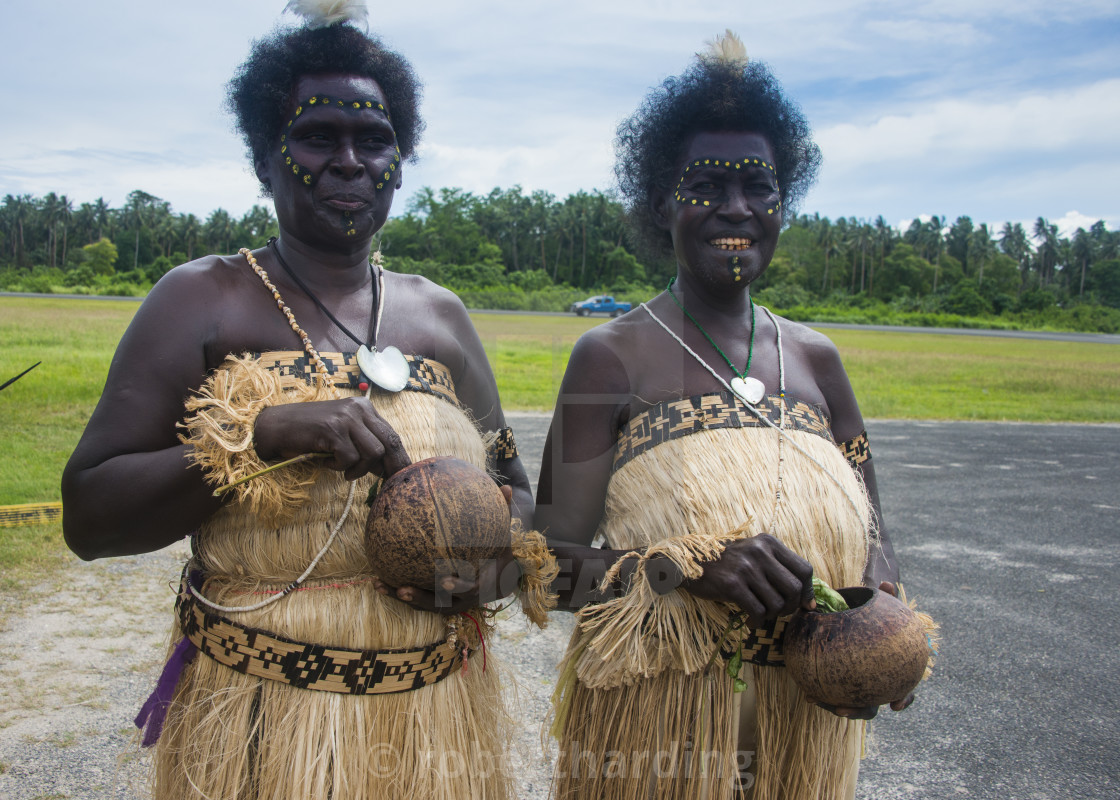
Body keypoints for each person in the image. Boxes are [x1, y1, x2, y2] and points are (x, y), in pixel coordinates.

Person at [61, 5, 553, 798]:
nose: (350, 160)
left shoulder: (441, 316)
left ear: (401, 159)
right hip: (260, 726)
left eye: (375, 140)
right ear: (267, 159)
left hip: (431, 719)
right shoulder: (200, 302)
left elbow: (517, 497)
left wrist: (479, 566)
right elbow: (89, 516)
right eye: (318, 136)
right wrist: (259, 439)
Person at [537, 32, 913, 799]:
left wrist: (885, 634)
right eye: (706, 185)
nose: (735, 208)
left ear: (783, 202)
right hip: (660, 731)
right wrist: (686, 571)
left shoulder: (818, 362)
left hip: (803, 733)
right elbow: (549, 569)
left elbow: (877, 548)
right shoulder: (609, 359)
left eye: (759, 188)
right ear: (661, 202)